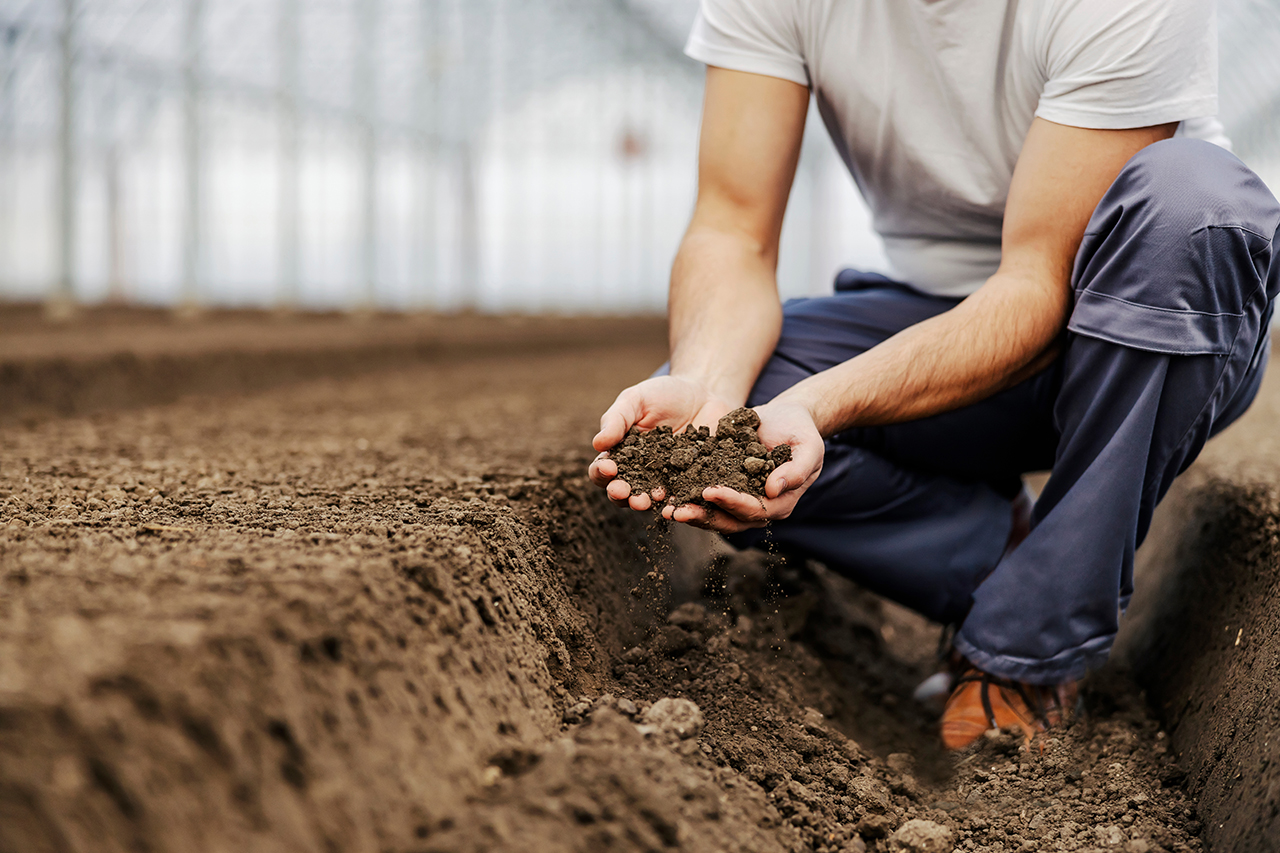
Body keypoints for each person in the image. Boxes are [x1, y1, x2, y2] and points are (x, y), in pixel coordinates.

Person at [588, 0, 1280, 749]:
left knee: (1194, 201)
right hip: (943, 315)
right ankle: (1009, 554)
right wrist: (709, 389)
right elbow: (732, 228)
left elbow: (1038, 285)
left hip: (1146, 331)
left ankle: (1028, 649)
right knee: (731, 422)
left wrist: (819, 403)